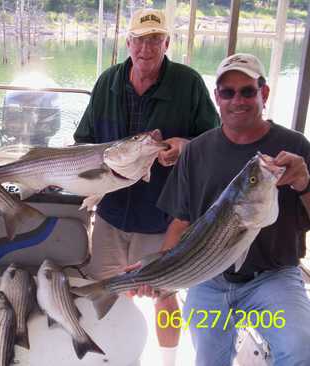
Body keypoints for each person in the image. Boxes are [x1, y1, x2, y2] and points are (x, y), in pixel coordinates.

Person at [73, 8, 220, 365]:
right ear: (128, 43)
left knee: (164, 294)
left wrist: (186, 146)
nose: (146, 48)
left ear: (166, 43)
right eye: (140, 39)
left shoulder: (188, 83)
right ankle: (116, 356)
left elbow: (216, 140)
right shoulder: (108, 81)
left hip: (162, 216)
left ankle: (167, 360)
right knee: (109, 291)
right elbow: (84, 140)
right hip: (110, 215)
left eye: (155, 40)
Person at [157, 53, 310, 365]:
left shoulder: (296, 147)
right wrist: (160, 274)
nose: (237, 100)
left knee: (300, 348)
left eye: (247, 91)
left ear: (264, 93)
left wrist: (304, 182)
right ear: (217, 98)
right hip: (209, 278)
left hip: (274, 276)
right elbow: (180, 223)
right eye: (228, 92)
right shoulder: (196, 151)